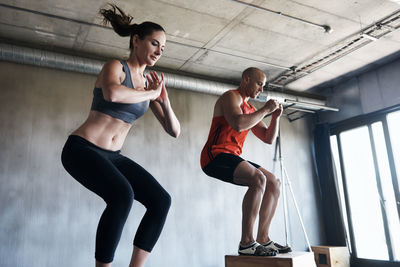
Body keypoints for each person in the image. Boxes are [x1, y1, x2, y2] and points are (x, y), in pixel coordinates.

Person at [61, 4, 180, 267]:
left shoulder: (149, 85)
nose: (159, 52)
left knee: (161, 201)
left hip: (114, 157)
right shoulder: (116, 67)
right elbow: (113, 94)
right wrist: (151, 94)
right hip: (82, 149)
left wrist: (164, 99)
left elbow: (174, 130)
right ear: (136, 40)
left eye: (163, 48)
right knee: (122, 195)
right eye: (154, 44)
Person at [200, 67, 291, 256]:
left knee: (273, 182)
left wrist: (274, 117)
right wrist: (266, 109)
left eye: (263, 86)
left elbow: (268, 138)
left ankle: (263, 238)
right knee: (258, 179)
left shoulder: (251, 109)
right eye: (259, 84)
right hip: (214, 156)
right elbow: (238, 123)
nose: (261, 90)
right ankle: (247, 242)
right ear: (246, 79)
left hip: (232, 156)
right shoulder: (231, 97)